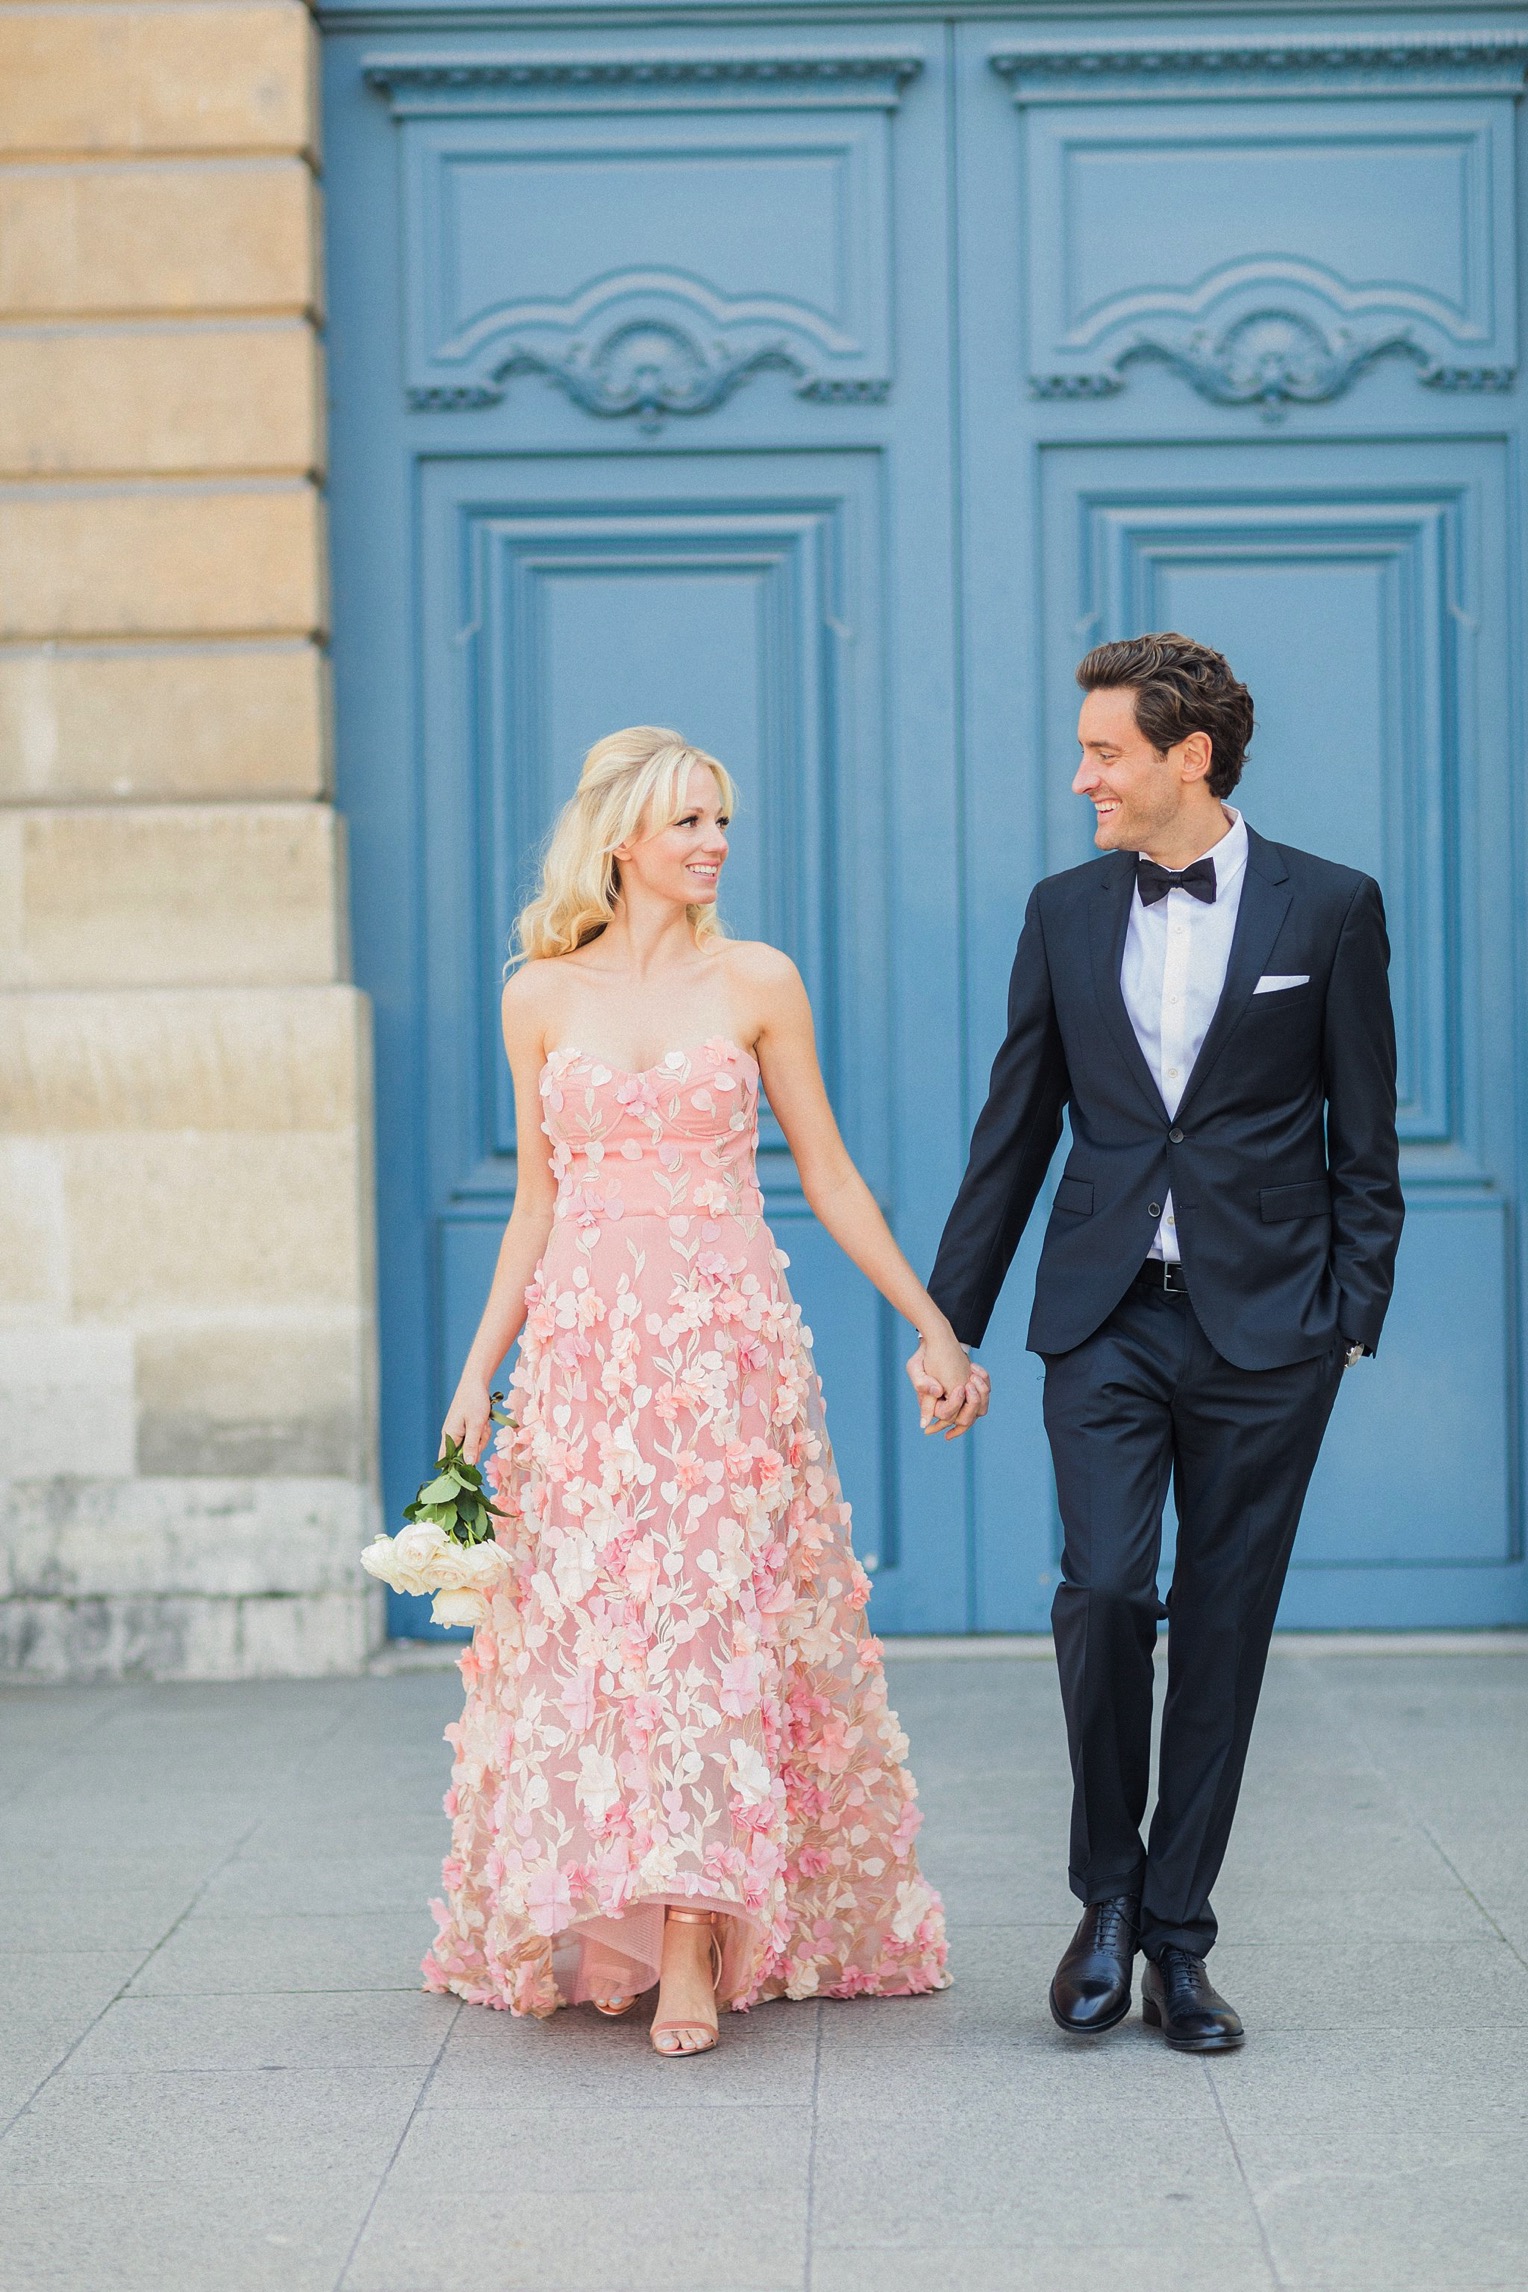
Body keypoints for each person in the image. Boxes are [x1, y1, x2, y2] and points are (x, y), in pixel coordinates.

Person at [428, 726, 962, 2054]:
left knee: (712, 1639)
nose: (715, 845)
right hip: (590, 1362)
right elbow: (532, 1204)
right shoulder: (538, 996)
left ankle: (687, 1947)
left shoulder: (762, 980)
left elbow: (830, 1177)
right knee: (607, 1647)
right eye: (687, 824)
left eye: (721, 822)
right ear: (621, 839)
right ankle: (614, 1899)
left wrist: (934, 1324)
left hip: (726, 1367)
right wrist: (477, 1369)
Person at [910, 633, 1404, 2052]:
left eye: (1105, 754)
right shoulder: (1064, 911)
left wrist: (1349, 1325)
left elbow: (1364, 1139)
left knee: (1229, 1631)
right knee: (1110, 1593)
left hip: (1272, 1335)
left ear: (1188, 757)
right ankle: (1106, 1896)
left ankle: (1181, 1938)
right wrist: (954, 1321)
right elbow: (1013, 1132)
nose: (1083, 781)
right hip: (1106, 1318)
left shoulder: (1333, 910)